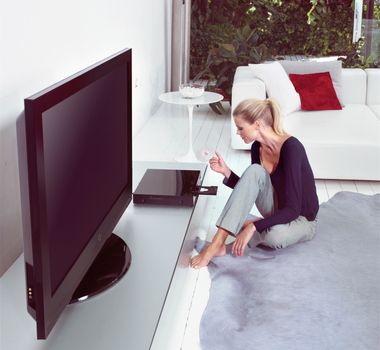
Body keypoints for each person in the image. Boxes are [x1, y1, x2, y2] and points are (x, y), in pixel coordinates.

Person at [191, 98, 319, 269]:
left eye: (240, 128)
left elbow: (293, 209)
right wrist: (226, 172)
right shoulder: (256, 148)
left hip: (302, 219)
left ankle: (253, 224)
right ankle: (218, 244)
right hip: (277, 208)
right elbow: (249, 187)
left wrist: (253, 227)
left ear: (257, 124)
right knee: (254, 170)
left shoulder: (292, 148)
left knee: (274, 237)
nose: (238, 132)